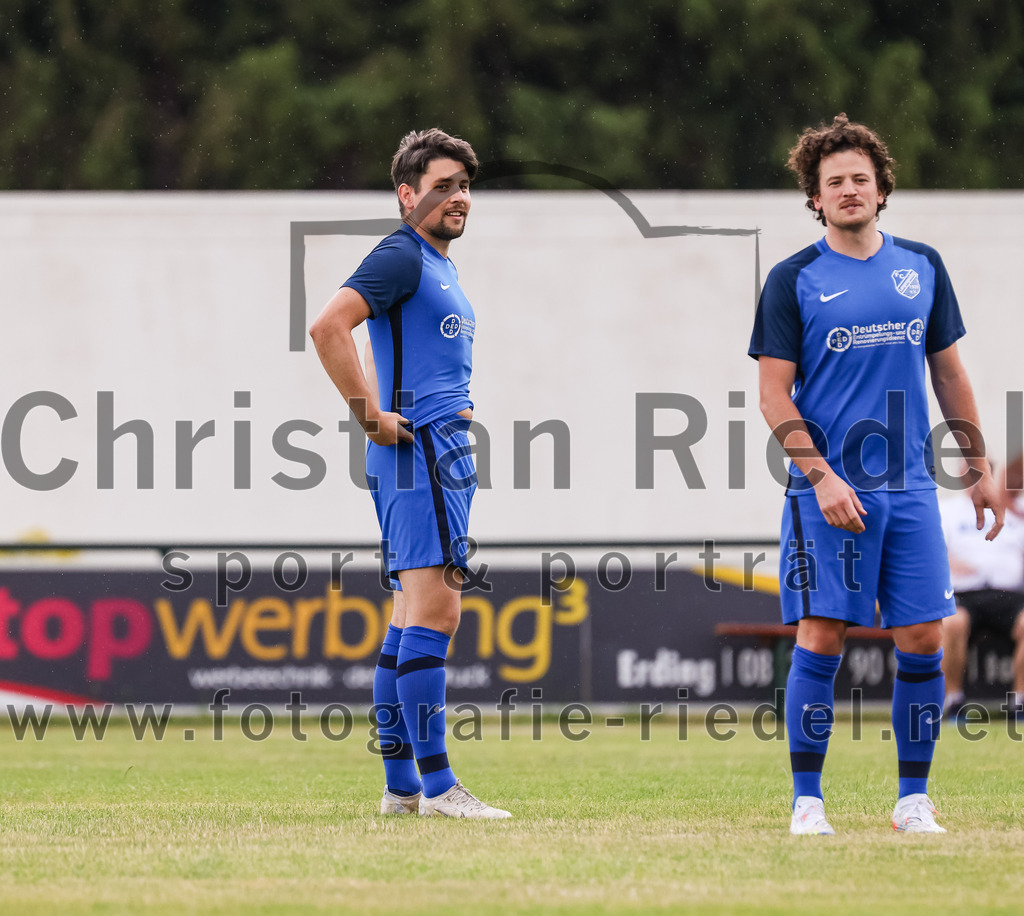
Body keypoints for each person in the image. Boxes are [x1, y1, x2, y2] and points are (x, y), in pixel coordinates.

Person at [748, 113, 1004, 835]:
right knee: (822, 636)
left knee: (924, 639)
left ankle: (912, 801)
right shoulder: (793, 280)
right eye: (834, 182)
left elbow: (948, 372)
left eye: (861, 178)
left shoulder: (920, 265)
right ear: (816, 197)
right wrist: (822, 477)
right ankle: (807, 802)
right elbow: (773, 394)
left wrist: (978, 464)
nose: (849, 190)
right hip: (827, 492)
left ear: (883, 188)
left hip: (912, 489)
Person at [309, 128, 511, 819]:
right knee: (437, 609)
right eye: (443, 185)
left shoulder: (437, 263)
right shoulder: (402, 253)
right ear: (407, 193)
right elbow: (329, 326)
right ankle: (438, 787)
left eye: (464, 186)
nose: (458, 198)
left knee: (407, 617)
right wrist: (371, 416)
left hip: (434, 448)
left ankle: (401, 791)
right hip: (418, 451)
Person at [940, 472, 1024, 718]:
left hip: (1007, 595)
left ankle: (1019, 703)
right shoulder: (947, 511)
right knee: (952, 622)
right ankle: (954, 701)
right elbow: (933, 554)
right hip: (964, 594)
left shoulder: (1013, 512)